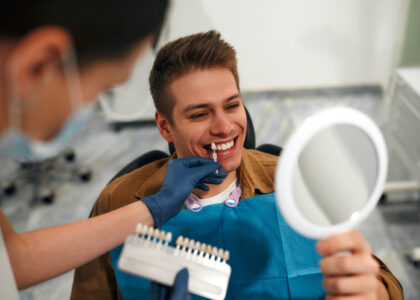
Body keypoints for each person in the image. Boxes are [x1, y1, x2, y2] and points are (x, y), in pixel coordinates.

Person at [71, 31, 403, 299]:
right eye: (200, 113)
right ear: (165, 126)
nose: (224, 127)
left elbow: (384, 284)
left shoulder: (294, 182)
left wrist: (371, 290)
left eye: (232, 105)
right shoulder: (119, 203)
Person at [0, 2, 225, 299]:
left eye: (232, 104)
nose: (222, 126)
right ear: (37, 66)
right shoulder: (115, 196)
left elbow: (11, 258)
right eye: (103, 87)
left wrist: (152, 209)